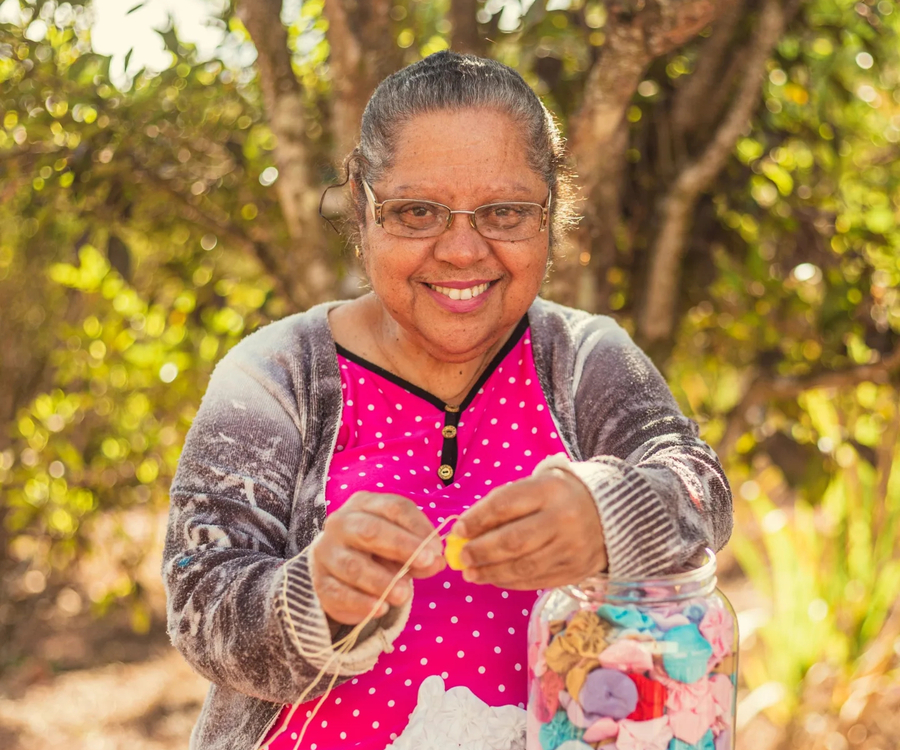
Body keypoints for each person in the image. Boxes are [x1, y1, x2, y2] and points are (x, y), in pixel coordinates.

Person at [162, 50, 733, 750]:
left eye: (505, 212)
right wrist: (315, 596)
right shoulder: (275, 375)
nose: (462, 251)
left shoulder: (585, 358)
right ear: (361, 205)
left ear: (550, 212)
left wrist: (606, 512)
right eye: (416, 212)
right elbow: (199, 600)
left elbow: (700, 486)